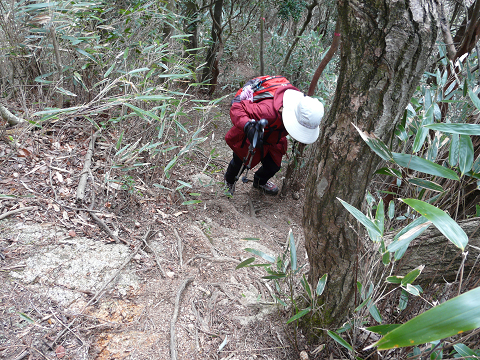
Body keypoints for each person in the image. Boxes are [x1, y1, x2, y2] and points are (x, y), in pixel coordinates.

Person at [224, 77, 324, 196]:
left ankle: (259, 182)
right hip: (255, 133)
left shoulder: (301, 107)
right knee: (239, 161)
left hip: (274, 137)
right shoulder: (267, 111)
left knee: (274, 166)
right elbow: (237, 108)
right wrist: (248, 125)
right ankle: (229, 182)